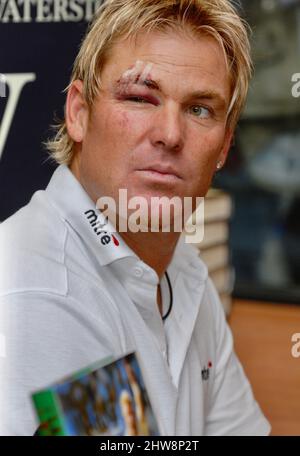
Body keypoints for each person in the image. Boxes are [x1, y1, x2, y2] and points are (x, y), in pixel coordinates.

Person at [0, 0, 271, 435]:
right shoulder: (43, 293)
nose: (169, 134)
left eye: (200, 109)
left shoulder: (184, 272)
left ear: (223, 147)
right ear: (79, 113)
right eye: (140, 97)